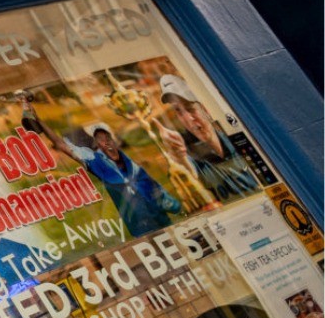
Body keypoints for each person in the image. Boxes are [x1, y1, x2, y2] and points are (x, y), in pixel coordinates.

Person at [21, 101, 182, 237]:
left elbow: (155, 189)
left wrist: (174, 206)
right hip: (141, 226)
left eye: (108, 138)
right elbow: (61, 144)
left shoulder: (132, 165)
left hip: (162, 218)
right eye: (100, 140)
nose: (106, 143)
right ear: (96, 146)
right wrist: (38, 120)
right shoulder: (96, 162)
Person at [158, 74, 258, 203]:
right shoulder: (188, 151)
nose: (188, 119)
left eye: (190, 108)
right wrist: (180, 157)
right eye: (179, 111)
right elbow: (188, 170)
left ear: (205, 109)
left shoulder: (235, 136)